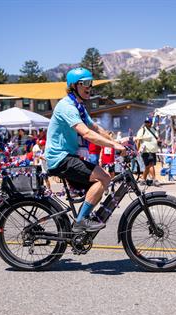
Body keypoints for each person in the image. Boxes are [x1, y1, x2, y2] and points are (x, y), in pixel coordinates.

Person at [45, 67, 125, 232]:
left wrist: (116, 141)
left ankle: (82, 219)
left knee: (100, 182)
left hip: (68, 157)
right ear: (74, 86)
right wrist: (113, 146)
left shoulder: (79, 107)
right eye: (85, 83)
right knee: (103, 177)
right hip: (60, 158)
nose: (90, 87)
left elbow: (95, 128)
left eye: (91, 83)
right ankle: (81, 221)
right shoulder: (66, 107)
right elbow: (87, 133)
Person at [136, 117, 161, 187]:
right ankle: (154, 180)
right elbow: (138, 140)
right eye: (146, 122)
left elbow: (157, 137)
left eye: (148, 122)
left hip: (153, 151)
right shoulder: (142, 130)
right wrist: (137, 150)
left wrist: (158, 141)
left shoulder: (154, 129)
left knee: (148, 166)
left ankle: (143, 179)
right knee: (151, 164)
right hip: (146, 151)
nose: (146, 123)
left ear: (151, 123)